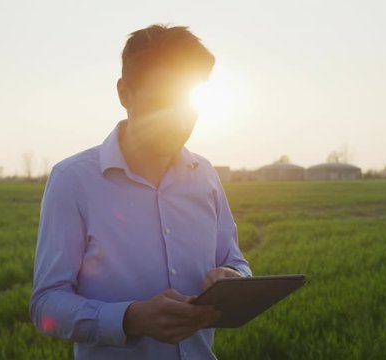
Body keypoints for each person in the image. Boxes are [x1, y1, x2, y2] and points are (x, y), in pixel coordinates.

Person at [29, 24, 252, 360]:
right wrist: (130, 319)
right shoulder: (73, 181)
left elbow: (234, 262)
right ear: (124, 93)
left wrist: (233, 278)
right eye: (162, 99)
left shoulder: (204, 175)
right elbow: (46, 303)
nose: (177, 117)